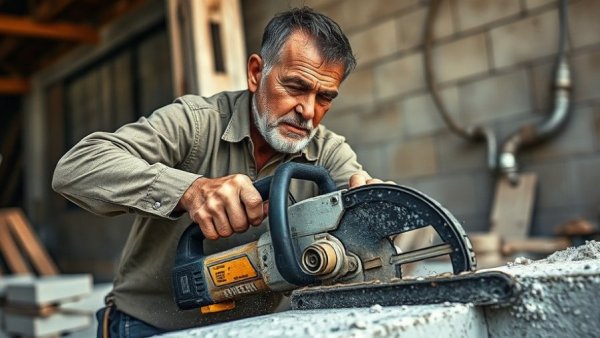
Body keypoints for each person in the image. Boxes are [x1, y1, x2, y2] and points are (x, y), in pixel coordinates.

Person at [53, 6, 384, 337]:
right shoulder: (196, 123)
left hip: (259, 327)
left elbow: (361, 208)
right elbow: (76, 167)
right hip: (150, 325)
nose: (308, 111)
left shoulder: (328, 151)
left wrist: (372, 212)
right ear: (256, 73)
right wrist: (191, 191)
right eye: (295, 87)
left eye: (325, 97)